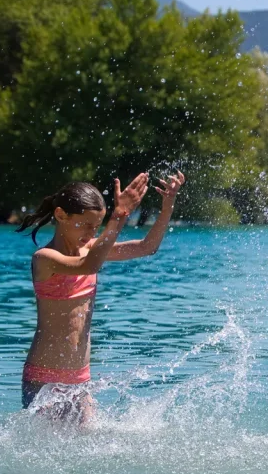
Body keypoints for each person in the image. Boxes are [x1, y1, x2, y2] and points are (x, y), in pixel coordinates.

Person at [16, 171, 185, 424]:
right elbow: (88, 265)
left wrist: (167, 206)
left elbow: (147, 247)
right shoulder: (45, 258)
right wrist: (118, 216)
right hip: (44, 379)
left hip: (80, 378)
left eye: (96, 227)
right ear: (61, 215)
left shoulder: (91, 250)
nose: (90, 232)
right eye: (85, 224)